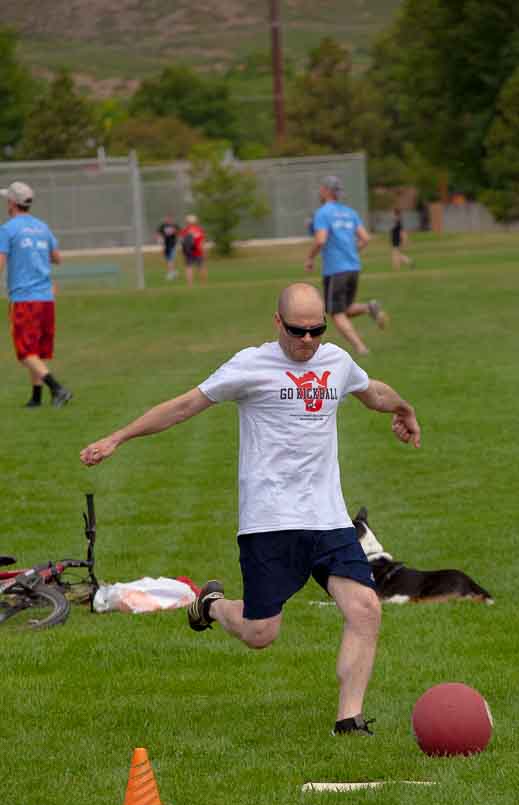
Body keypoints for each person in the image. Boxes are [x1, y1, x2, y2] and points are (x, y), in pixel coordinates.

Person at [80, 282, 421, 735]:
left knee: (365, 610)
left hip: (328, 518)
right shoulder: (250, 366)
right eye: (297, 331)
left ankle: (349, 720)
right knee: (261, 634)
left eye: (316, 330)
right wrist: (117, 438)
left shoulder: (336, 362)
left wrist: (403, 408)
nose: (307, 341)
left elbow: (371, 391)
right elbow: (184, 406)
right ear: (277, 322)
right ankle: (212, 605)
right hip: (270, 521)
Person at [0, 181, 72, 408]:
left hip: (24, 298)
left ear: (12, 203)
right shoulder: (42, 227)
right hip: (46, 298)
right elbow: (57, 258)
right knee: (36, 350)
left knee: (25, 352)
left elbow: (0, 262)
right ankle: (36, 397)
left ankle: (57, 388)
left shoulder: (8, 229)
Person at [306, 175, 386, 357]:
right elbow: (365, 238)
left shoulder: (323, 213)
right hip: (353, 267)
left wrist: (309, 258)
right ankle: (369, 307)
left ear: (326, 191)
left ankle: (360, 348)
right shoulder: (350, 213)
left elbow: (320, 240)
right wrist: (350, 251)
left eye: (321, 188)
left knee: (335, 312)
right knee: (345, 308)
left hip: (335, 269)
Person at [180, 214, 207, 287]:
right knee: (201, 267)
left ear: (187, 222)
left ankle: (190, 284)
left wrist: (183, 251)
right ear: (195, 222)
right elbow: (202, 241)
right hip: (198, 251)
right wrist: (203, 251)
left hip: (188, 251)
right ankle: (203, 284)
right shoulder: (199, 229)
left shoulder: (185, 230)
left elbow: (182, 241)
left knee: (189, 267)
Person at [156, 215, 180, 280]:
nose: (168, 220)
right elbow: (158, 233)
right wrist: (159, 240)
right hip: (165, 245)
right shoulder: (163, 226)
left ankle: (170, 273)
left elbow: (179, 232)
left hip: (172, 245)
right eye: (167, 219)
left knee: (171, 259)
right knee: (168, 259)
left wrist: (178, 240)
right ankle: (173, 272)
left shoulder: (175, 225)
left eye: (170, 219)